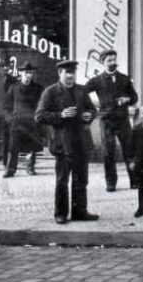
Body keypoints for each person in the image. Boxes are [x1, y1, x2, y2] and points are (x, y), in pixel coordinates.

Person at [34, 60, 98, 225]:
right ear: (59, 73)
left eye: (73, 73)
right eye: (67, 73)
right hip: (63, 142)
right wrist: (60, 115)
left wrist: (89, 115)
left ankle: (80, 212)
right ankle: (60, 213)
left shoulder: (81, 90)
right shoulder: (51, 91)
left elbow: (93, 109)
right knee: (62, 180)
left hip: (81, 141)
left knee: (81, 179)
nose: (70, 76)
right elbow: (39, 116)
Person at [85, 49, 138, 191]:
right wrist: (93, 107)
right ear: (102, 62)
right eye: (109, 60)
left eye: (114, 59)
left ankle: (134, 180)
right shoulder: (97, 80)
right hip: (106, 120)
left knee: (129, 150)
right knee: (108, 152)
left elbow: (135, 97)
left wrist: (128, 99)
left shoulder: (124, 78)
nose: (113, 62)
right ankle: (111, 183)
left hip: (123, 120)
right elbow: (82, 92)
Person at [2, 62, 44, 177]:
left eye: (30, 73)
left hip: (32, 121)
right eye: (26, 73)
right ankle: (10, 169)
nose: (28, 75)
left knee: (31, 146)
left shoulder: (38, 88)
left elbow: (42, 105)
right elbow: (7, 106)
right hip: (16, 122)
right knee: (13, 146)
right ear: (21, 73)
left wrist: (38, 117)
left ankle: (30, 167)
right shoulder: (13, 88)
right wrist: (10, 119)